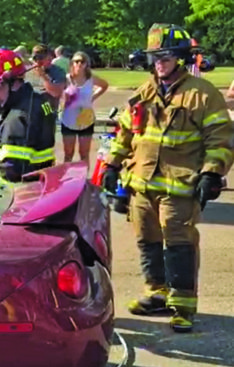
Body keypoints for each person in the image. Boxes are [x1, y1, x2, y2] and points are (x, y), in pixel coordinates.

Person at [102, 23, 233, 333]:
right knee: (146, 240)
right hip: (142, 184)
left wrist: (212, 173)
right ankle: (156, 293)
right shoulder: (145, 91)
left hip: (181, 185)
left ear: (181, 58)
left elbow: (221, 139)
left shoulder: (202, 94)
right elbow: (125, 132)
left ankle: (183, 305)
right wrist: (111, 165)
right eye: (156, 57)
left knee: (179, 243)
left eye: (166, 56)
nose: (160, 62)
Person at [0, 48, 56, 182]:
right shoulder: (31, 102)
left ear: (14, 82)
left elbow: (12, 171)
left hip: (13, 195)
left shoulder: (19, 116)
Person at [60, 51, 109, 162]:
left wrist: (93, 97)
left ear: (86, 64)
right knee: (68, 153)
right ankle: (68, 178)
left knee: (84, 153)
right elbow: (58, 95)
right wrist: (64, 99)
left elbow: (104, 85)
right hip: (68, 120)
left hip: (86, 121)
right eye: (76, 61)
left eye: (82, 62)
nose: (79, 64)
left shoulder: (90, 78)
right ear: (72, 63)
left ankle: (83, 178)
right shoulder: (67, 79)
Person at [30, 44, 66, 111]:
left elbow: (56, 93)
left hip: (47, 109)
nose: (38, 62)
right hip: (30, 109)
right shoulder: (28, 72)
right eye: (36, 59)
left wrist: (44, 77)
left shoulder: (58, 72)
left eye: (41, 58)